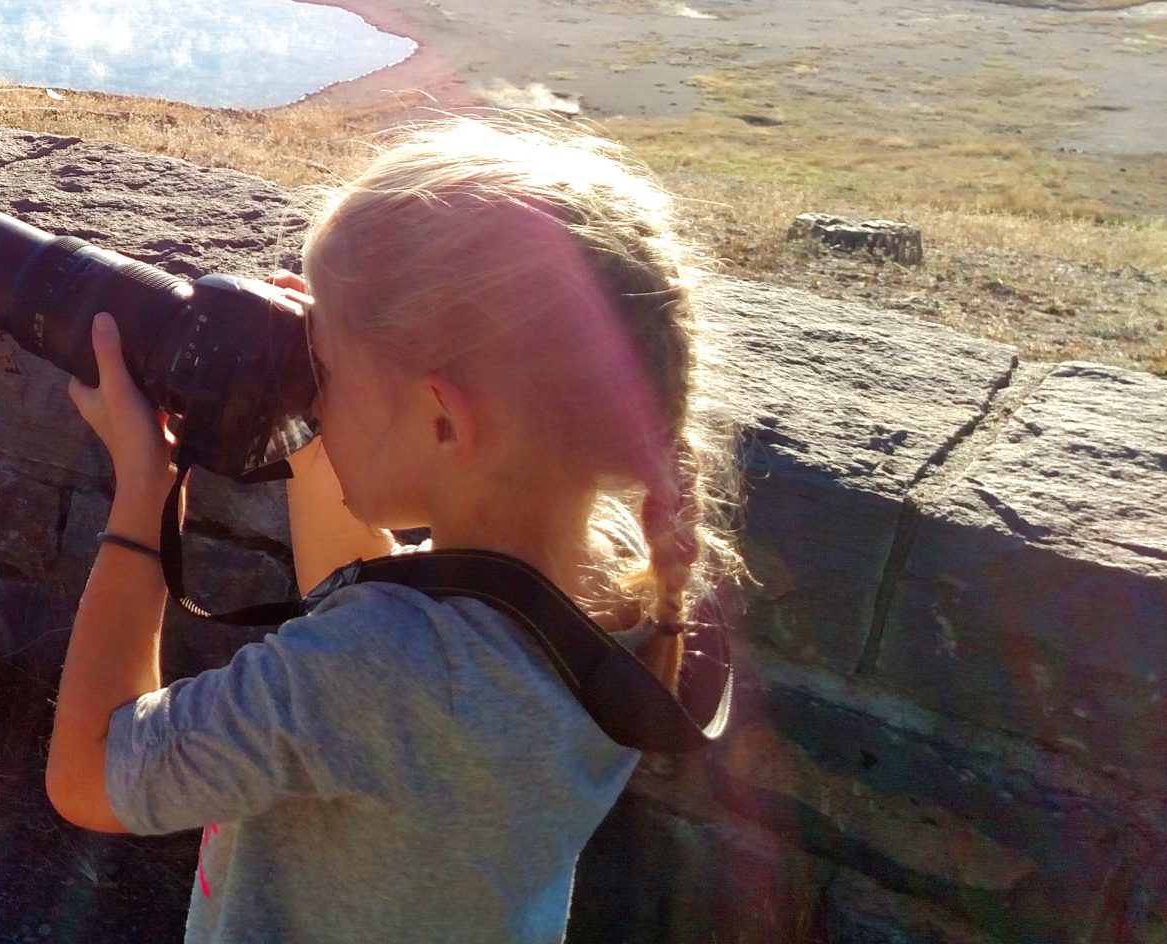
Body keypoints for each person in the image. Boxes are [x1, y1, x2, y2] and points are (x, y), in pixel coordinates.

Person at [45, 117, 742, 943]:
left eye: (325, 372)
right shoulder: (609, 580)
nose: (312, 385)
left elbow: (90, 774)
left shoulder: (383, 666)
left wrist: (143, 491)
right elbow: (367, 606)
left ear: (444, 423)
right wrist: (315, 429)